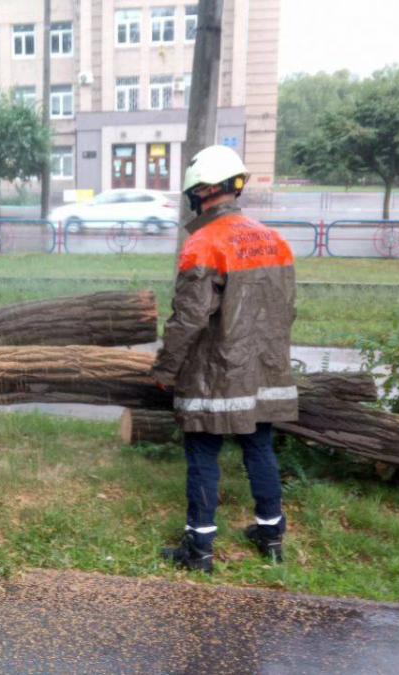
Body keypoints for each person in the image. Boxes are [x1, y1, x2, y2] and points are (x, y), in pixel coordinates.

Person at [152, 145, 298, 573]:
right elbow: (286, 310)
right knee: (260, 446)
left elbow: (188, 318)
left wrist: (165, 368)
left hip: (214, 373)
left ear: (199, 192)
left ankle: (199, 548)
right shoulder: (275, 240)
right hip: (265, 370)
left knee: (202, 452)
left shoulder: (204, 243)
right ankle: (270, 535)